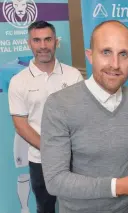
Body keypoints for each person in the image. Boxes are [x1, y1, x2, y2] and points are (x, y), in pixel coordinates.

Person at [40, 20, 128, 213]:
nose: (115, 64)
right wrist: (122, 186)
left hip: (127, 209)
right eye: (106, 52)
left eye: (123, 54)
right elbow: (56, 181)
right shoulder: (59, 105)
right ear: (90, 55)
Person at [8, 20, 83, 213]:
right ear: (29, 43)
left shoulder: (73, 75)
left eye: (48, 39)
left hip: (76, 158)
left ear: (56, 42)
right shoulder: (18, 82)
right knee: (45, 208)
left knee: (78, 206)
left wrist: (70, 150)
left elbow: (83, 117)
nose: (43, 46)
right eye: (37, 40)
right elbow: (21, 125)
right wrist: (51, 150)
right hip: (40, 161)